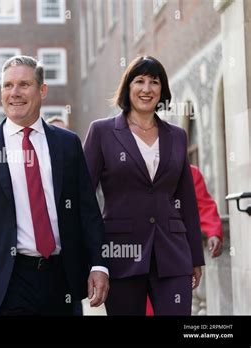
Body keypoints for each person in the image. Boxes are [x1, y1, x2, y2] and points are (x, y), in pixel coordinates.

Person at [0, 55, 109, 316]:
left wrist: (99, 265)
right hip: (6, 278)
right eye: (7, 85)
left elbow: (88, 212)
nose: (14, 93)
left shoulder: (68, 144)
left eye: (24, 84)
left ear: (42, 90)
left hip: (61, 275)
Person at [83, 56, 205, 315]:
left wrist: (195, 256)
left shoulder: (177, 136)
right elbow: (83, 197)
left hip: (173, 255)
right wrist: (96, 258)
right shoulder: (102, 132)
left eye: (154, 82)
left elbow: (186, 199)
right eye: (139, 81)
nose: (147, 89)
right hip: (121, 255)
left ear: (163, 90)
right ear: (128, 87)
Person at [146, 164, 223, 315]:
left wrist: (213, 232)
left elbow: (204, 206)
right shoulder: (132, 170)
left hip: (176, 254)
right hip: (141, 254)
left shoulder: (190, 172)